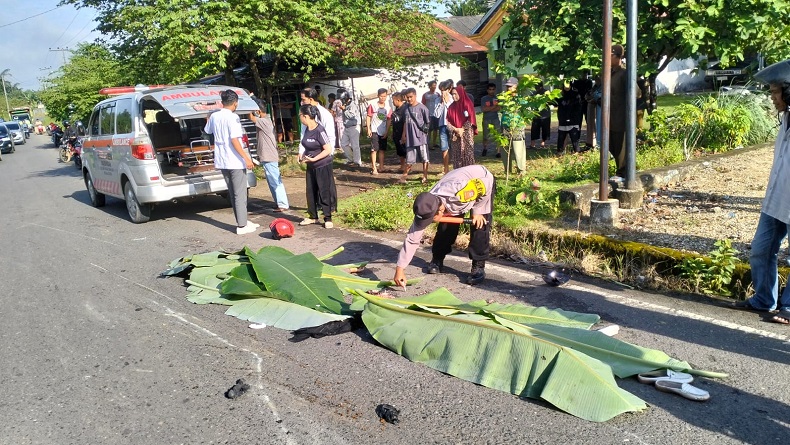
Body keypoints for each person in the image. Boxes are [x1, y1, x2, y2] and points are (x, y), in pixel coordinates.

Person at [733, 60, 790, 324]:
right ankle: (764, 299)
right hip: (777, 199)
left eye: (775, 92)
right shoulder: (786, 119)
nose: (772, 98)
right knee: (760, 248)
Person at [393, 165, 495, 287]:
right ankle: (437, 258)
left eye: (430, 220)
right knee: (445, 227)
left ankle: (478, 266)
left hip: (481, 183)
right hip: (455, 194)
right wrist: (400, 269)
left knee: (480, 224)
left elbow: (486, 183)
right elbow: (412, 239)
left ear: (440, 210)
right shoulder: (426, 205)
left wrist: (478, 210)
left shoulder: (460, 191)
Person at [203, 89, 258, 235]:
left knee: (233, 192)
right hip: (234, 160)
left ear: (222, 102)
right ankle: (242, 225)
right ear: (235, 103)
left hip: (222, 160)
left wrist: (207, 117)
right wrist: (246, 158)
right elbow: (234, 140)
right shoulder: (233, 117)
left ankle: (242, 220)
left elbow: (207, 130)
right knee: (240, 193)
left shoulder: (214, 116)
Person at [297, 104, 338, 229]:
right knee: (311, 192)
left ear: (305, 116)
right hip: (311, 166)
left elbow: (328, 149)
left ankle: (327, 217)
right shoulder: (306, 129)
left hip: (322, 165)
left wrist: (315, 158)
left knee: (324, 191)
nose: (299, 118)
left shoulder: (320, 130)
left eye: (300, 115)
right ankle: (313, 216)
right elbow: (306, 145)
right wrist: (301, 155)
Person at [249, 98, 289, 212]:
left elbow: (251, 118)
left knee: (275, 181)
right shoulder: (265, 120)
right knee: (272, 181)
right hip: (267, 156)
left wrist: (248, 106)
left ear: (258, 111)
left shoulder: (264, 121)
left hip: (269, 156)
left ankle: (282, 204)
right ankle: (279, 203)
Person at [609, 44, 641, 179]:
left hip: (622, 117)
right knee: (612, 145)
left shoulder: (625, 74)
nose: (607, 58)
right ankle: (621, 172)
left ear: (618, 57)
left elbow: (637, 93)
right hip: (610, 116)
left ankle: (624, 173)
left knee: (622, 146)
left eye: (610, 55)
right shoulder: (609, 74)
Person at [400, 87, 431, 183]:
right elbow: (405, 122)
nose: (409, 99)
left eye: (411, 97)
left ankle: (425, 177)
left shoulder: (423, 108)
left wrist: (425, 134)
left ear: (415, 95)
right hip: (410, 139)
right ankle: (404, 177)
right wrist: (403, 135)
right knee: (409, 159)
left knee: (424, 158)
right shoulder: (406, 108)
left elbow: (428, 123)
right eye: (407, 97)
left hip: (421, 138)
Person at [299, 87, 336, 160]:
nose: (301, 102)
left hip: (323, 156)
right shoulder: (305, 113)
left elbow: (330, 136)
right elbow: (303, 134)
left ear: (311, 99)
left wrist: (329, 154)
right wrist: (301, 151)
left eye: (303, 100)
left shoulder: (325, 114)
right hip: (310, 156)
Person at [501, 77, 528, 175]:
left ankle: (521, 171)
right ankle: (507, 171)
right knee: (505, 150)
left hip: (517, 127)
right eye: (507, 86)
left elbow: (526, 112)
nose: (508, 88)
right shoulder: (504, 98)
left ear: (516, 86)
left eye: (510, 86)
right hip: (505, 126)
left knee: (518, 149)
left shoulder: (521, 99)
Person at [446, 85, 477, 169]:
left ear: (460, 93)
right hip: (455, 134)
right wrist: (455, 129)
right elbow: (447, 121)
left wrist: (462, 129)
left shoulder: (467, 104)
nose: (453, 96)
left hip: (466, 133)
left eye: (455, 94)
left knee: (468, 154)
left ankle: (469, 173)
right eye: (452, 94)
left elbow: (471, 119)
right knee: (457, 156)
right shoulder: (451, 107)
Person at [367, 88, 391, 175]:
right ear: (378, 96)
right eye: (381, 96)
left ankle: (381, 167)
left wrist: (387, 131)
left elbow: (389, 119)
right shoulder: (373, 105)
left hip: (383, 131)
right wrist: (368, 128)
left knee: (382, 150)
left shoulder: (388, 107)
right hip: (374, 130)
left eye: (384, 96)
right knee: (374, 149)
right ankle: (374, 167)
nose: (383, 98)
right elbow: (368, 116)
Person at [556, 81, 583, 154]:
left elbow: (578, 108)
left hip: (573, 119)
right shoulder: (560, 95)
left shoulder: (576, 95)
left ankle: (576, 151)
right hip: (563, 118)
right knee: (561, 137)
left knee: (574, 137)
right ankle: (560, 151)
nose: (566, 88)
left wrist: (575, 118)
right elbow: (554, 102)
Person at [436, 79, 455, 175]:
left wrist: (447, 102)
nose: (443, 92)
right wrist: (442, 103)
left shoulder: (453, 98)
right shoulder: (437, 100)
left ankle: (456, 168)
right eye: (441, 90)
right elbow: (436, 114)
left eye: (444, 90)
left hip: (452, 125)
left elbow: (453, 112)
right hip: (442, 125)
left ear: (449, 89)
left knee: (455, 146)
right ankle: (446, 169)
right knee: (444, 148)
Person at [339, 90, 362, 167]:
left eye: (342, 99)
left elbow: (351, 116)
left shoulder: (352, 105)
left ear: (346, 98)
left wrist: (344, 110)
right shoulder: (345, 104)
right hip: (347, 127)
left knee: (355, 145)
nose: (341, 100)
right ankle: (351, 159)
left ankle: (357, 162)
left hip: (354, 127)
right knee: (343, 144)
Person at [480, 83, 501, 157]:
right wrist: (494, 106)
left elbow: (499, 108)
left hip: (495, 118)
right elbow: (484, 109)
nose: (491, 91)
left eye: (493, 89)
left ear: (495, 90)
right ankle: (485, 148)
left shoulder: (497, 98)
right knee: (486, 136)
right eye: (490, 89)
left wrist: (489, 108)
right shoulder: (484, 98)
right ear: (487, 90)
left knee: (498, 135)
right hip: (486, 119)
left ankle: (498, 152)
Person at [391, 91, 408, 176]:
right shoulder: (396, 109)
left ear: (398, 100)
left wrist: (403, 134)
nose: (392, 102)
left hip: (402, 133)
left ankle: (407, 167)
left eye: (393, 100)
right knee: (400, 151)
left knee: (405, 150)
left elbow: (405, 122)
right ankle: (402, 166)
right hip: (396, 132)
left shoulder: (404, 109)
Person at [530, 82, 551, 149]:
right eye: (535, 87)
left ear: (541, 86)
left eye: (538, 87)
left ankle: (543, 144)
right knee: (534, 130)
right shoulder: (534, 93)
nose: (536, 88)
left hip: (545, 115)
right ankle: (532, 144)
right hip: (536, 114)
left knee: (545, 130)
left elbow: (551, 101)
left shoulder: (546, 93)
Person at [422, 80, 441, 149]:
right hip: (428, 114)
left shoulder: (437, 94)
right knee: (429, 129)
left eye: (435, 85)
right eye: (433, 85)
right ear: (430, 86)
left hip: (436, 114)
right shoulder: (425, 95)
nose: (435, 87)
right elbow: (423, 104)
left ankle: (434, 143)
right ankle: (428, 144)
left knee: (436, 129)